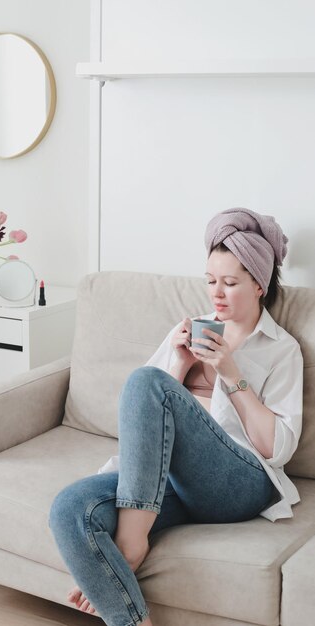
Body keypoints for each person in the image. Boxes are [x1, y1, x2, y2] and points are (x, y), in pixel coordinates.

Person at [49, 208, 303, 626]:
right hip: (170, 481)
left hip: (239, 482)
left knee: (148, 382)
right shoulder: (189, 330)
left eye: (230, 283)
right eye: (210, 281)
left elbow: (276, 450)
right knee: (70, 509)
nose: (216, 294)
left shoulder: (281, 349)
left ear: (258, 284)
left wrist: (231, 374)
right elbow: (141, 419)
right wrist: (180, 367)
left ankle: (131, 544)